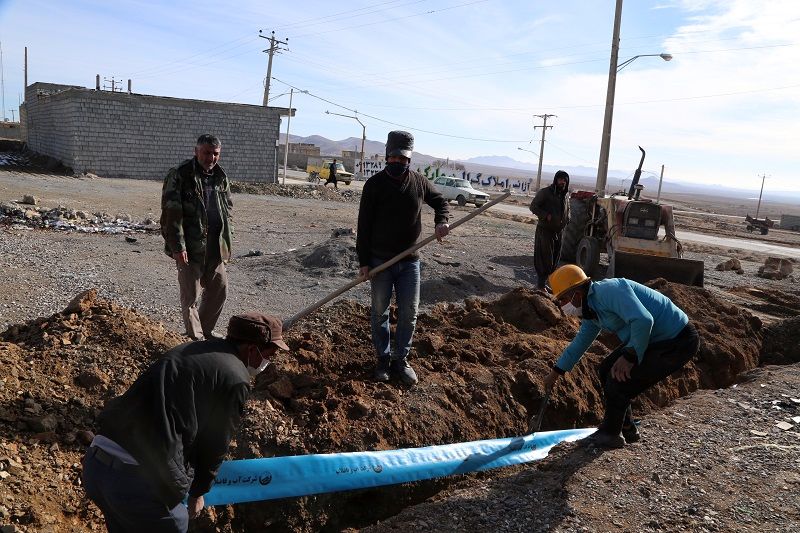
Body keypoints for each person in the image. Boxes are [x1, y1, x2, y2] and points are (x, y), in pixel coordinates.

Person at [82, 313, 290, 532]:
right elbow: (216, 443)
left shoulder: (193, 351)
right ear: (251, 348)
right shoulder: (236, 378)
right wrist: (198, 492)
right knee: (177, 523)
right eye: (270, 354)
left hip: (96, 466)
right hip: (135, 482)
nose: (270, 361)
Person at [542, 264, 700, 448]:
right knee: (606, 369)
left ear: (576, 294)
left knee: (618, 381)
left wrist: (630, 356)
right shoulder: (591, 309)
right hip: (651, 338)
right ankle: (627, 429)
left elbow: (643, 320)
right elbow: (581, 342)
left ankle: (610, 434)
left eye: (562, 300)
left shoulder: (609, 291)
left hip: (677, 339)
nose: (562, 306)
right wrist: (556, 372)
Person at [357, 131, 450, 385]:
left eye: (403, 159)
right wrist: (363, 262)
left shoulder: (419, 182)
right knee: (379, 312)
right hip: (380, 262)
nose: (398, 162)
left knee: (410, 312)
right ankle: (383, 360)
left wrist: (441, 221)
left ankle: (401, 359)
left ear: (409, 160)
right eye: (394, 158)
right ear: (388, 156)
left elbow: (440, 202)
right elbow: (363, 226)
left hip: (410, 262)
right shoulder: (374, 185)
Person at [160, 134, 233, 341]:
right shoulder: (180, 175)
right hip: (190, 247)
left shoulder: (220, 177)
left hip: (215, 247)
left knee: (219, 289)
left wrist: (228, 240)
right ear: (196, 151)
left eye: (215, 154)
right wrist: (177, 246)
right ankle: (195, 338)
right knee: (191, 296)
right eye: (206, 153)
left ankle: (205, 331)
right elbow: (170, 213)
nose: (211, 158)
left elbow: (227, 210)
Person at [529, 170, 570, 289]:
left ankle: (546, 284)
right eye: (560, 179)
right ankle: (540, 285)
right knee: (544, 258)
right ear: (556, 180)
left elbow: (568, 208)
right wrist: (545, 215)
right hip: (545, 231)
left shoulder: (566, 195)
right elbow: (533, 206)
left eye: (565, 180)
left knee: (555, 259)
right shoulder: (546, 192)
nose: (563, 182)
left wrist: (568, 218)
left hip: (559, 232)